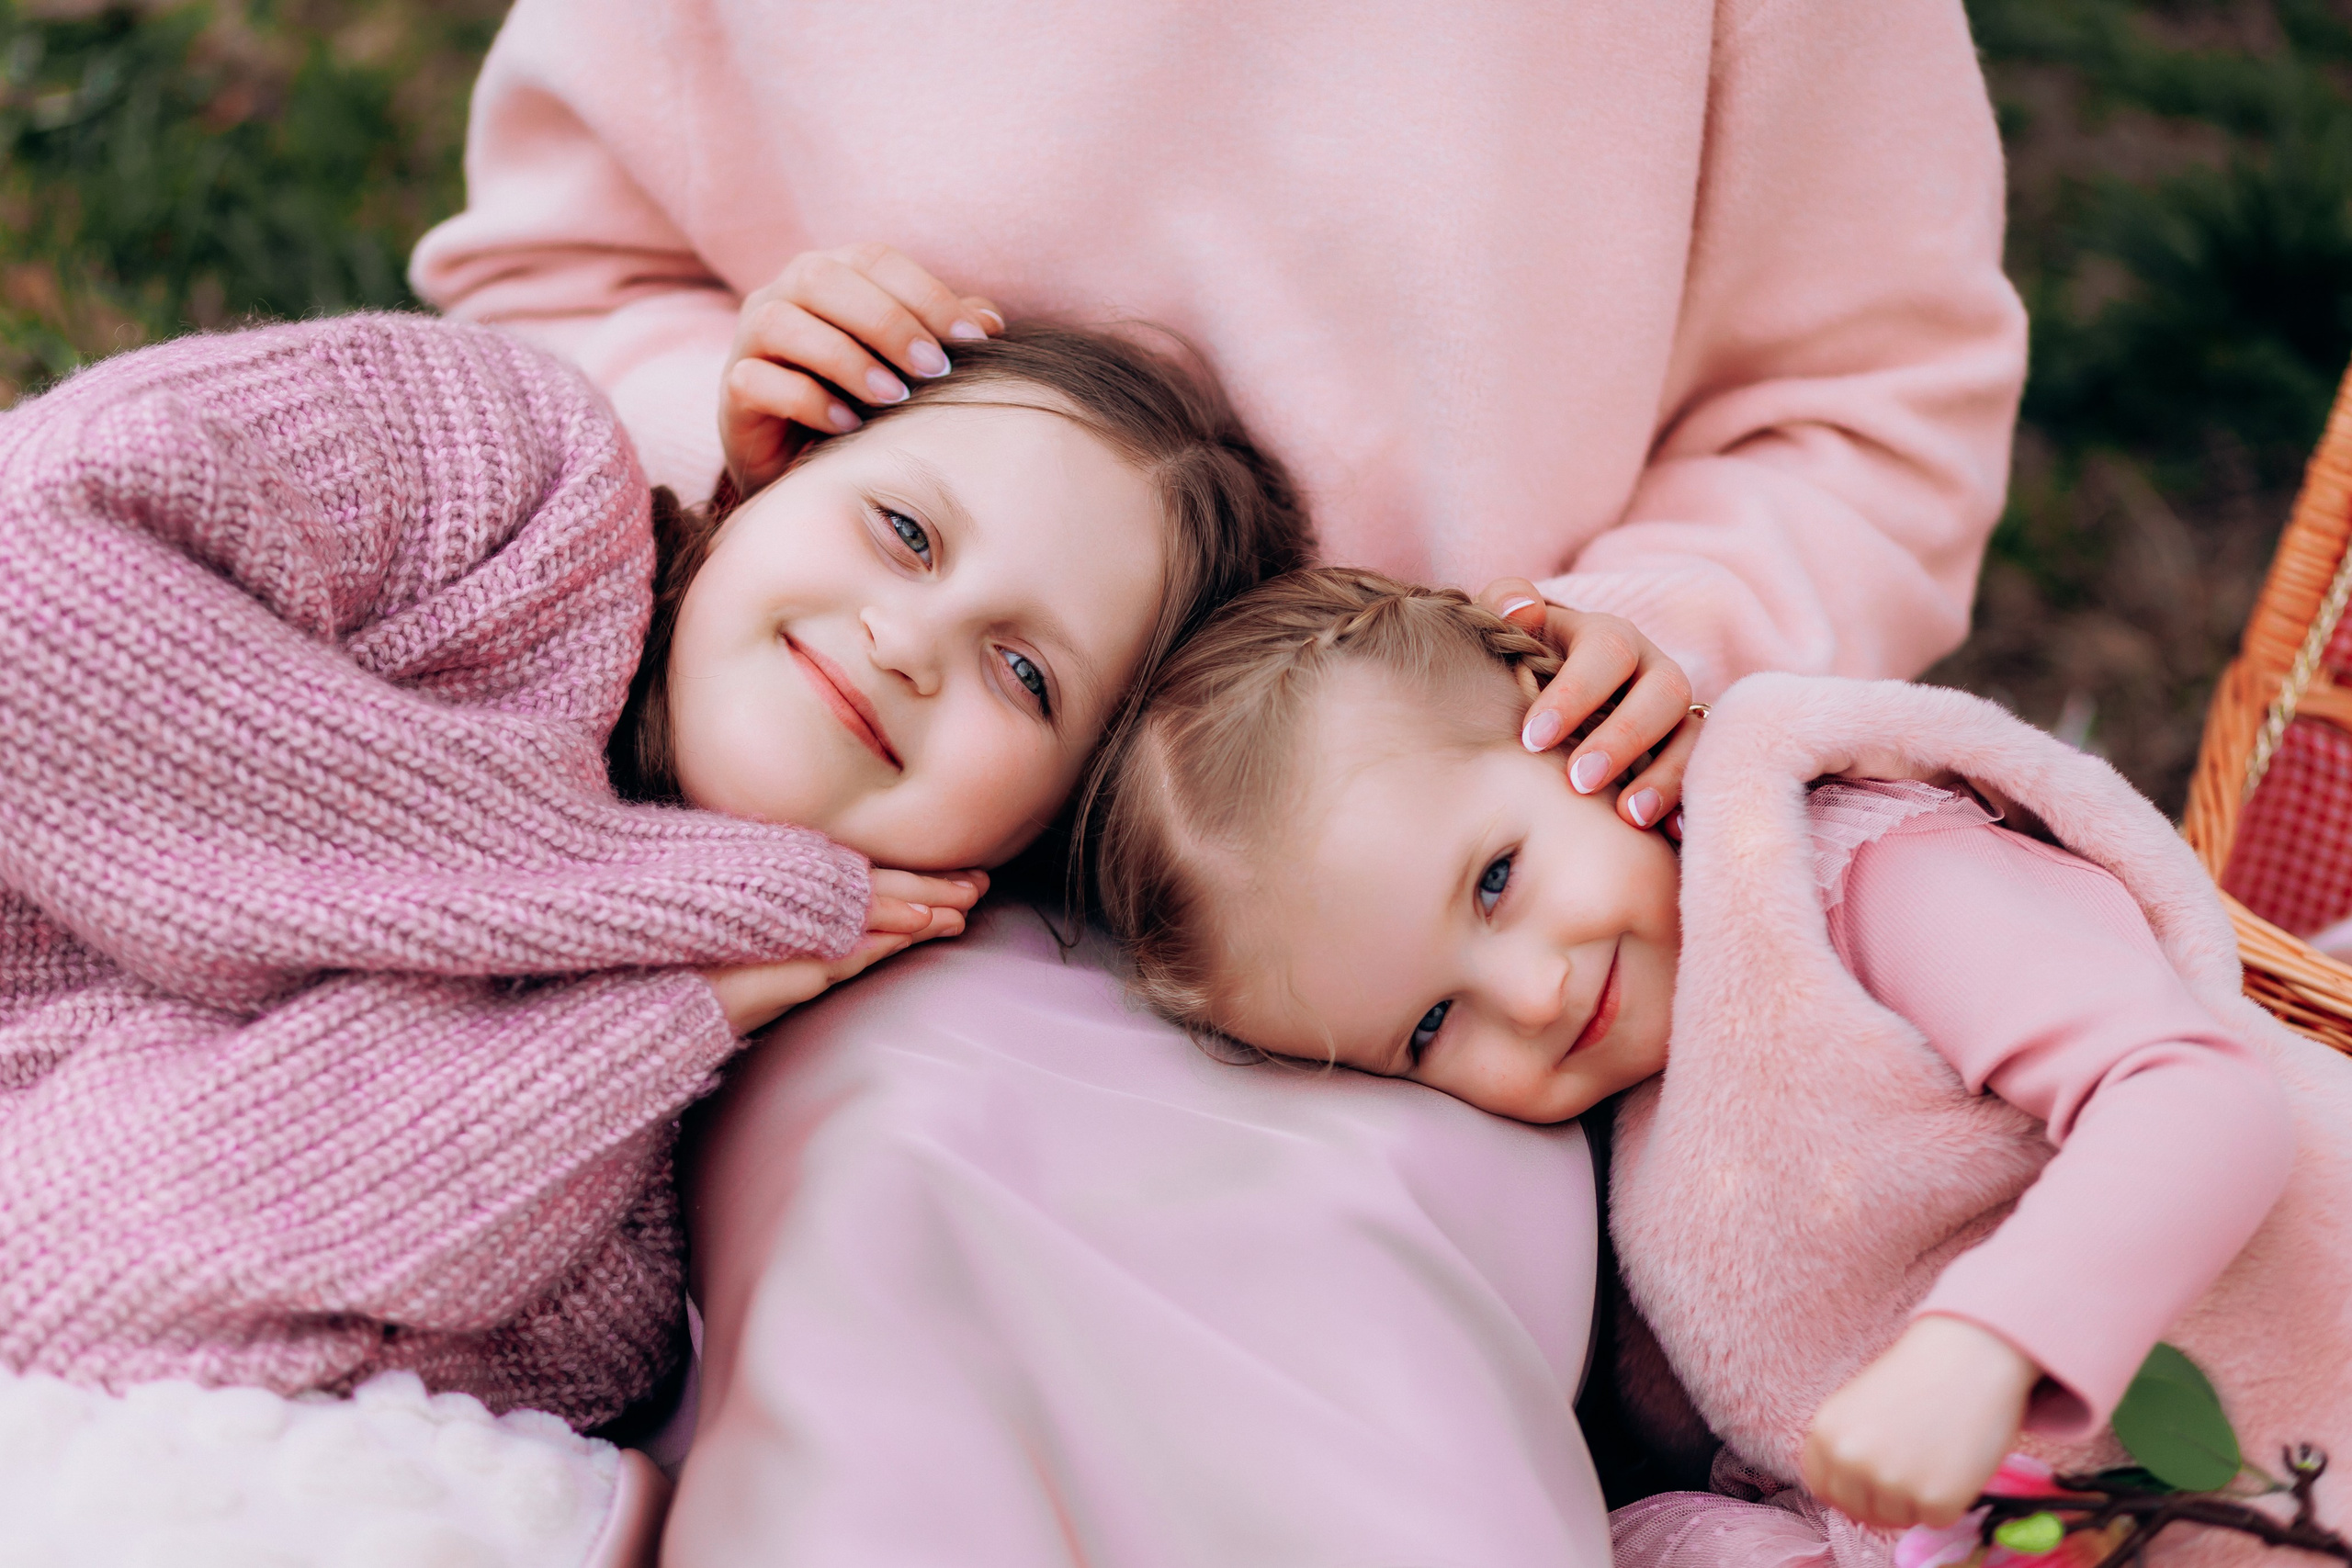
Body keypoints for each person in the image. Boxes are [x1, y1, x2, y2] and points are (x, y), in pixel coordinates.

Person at [409, 0, 2029, 1555]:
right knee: (884, 1230)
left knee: (1327, 1377)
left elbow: (1867, 411)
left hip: (1433, 958)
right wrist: (763, 448)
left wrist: (1647, 645)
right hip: (889, 877)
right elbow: (567, 266)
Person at [0, 306, 1306, 1428]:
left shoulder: (606, 1254)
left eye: (1024, 676)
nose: (912, 641)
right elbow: (31, 589)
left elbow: (58, 1273)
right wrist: (623, 891)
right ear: (770, 481)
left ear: (1036, 833)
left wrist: (646, 1010)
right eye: (904, 531)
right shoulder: (505, 472)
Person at [1091, 566, 2349, 1561]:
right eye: (1429, 1029)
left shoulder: (1860, 876)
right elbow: (1777, 1426)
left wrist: (1983, 1349)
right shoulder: (1631, 1177)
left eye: (1496, 881)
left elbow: (2196, 1095)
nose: (1530, 994)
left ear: (1574, 724)